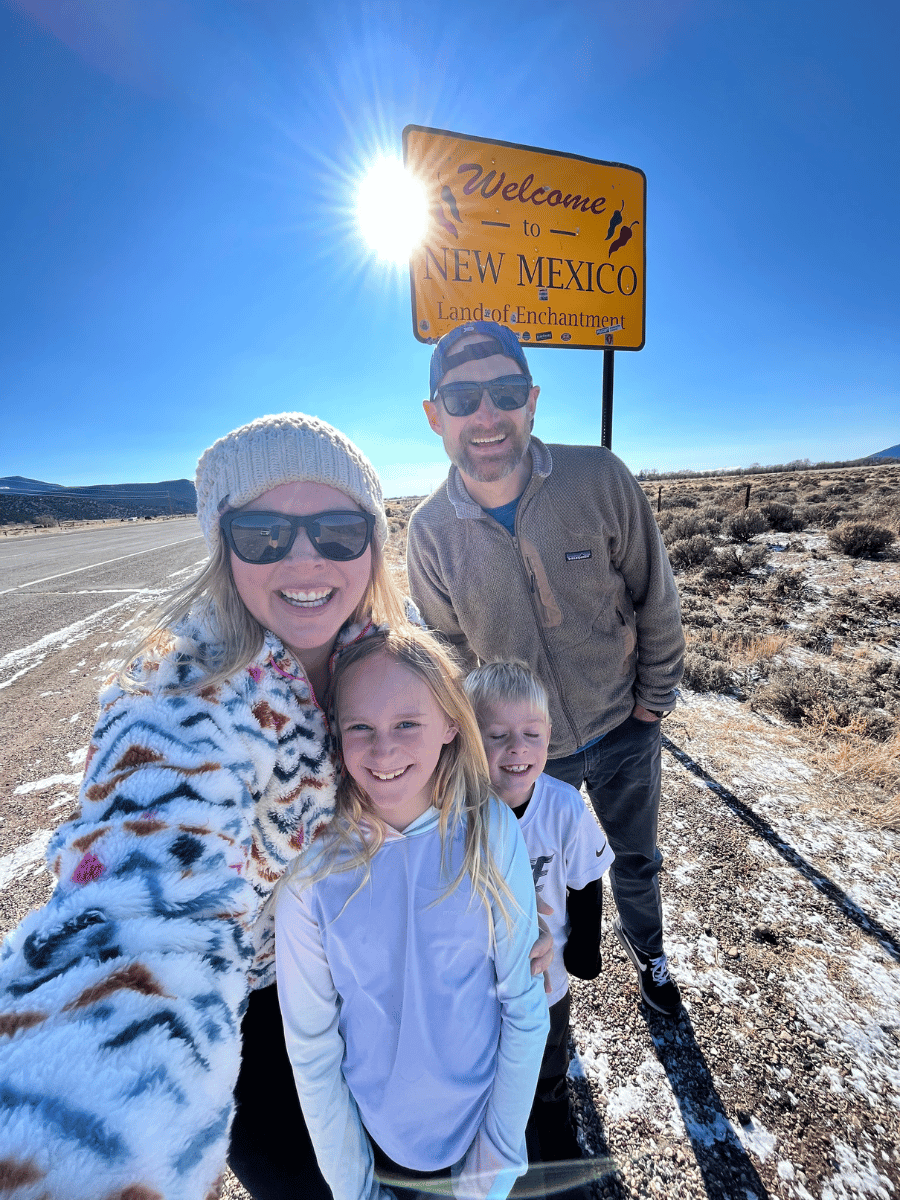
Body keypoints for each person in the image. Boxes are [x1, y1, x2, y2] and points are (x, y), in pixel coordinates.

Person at [0, 412, 554, 1200]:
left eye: (336, 529)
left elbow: (469, 776)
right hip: (254, 1016)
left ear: (372, 541)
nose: (304, 556)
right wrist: (69, 1128)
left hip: (376, 975)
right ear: (223, 542)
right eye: (263, 532)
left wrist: (514, 903)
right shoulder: (176, 709)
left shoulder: (383, 645)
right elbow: (134, 920)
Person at [406, 321, 686, 1018]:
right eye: (463, 397)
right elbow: (448, 653)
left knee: (636, 862)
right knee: (529, 879)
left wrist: (651, 704)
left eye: (504, 392)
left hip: (625, 727)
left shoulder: (598, 477)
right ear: (435, 416)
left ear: (532, 401)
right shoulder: (430, 532)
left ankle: (648, 957)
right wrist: (492, 742)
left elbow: (656, 595)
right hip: (526, 757)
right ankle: (545, 994)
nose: (486, 414)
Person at [275, 627, 549, 1200]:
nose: (384, 750)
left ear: (452, 723)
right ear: (335, 733)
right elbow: (313, 1046)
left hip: (483, 1132)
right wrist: (355, 1189)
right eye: (360, 728)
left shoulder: (490, 831)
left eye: (407, 724)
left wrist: (492, 1166)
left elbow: (524, 1009)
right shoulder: (310, 873)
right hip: (375, 1144)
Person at [464, 661, 613, 1169]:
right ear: (465, 737)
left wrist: (586, 945)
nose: (517, 749)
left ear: (550, 735)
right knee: (489, 1051)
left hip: (546, 975)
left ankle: (549, 1104)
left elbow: (587, 876)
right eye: (497, 735)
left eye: (532, 733)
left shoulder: (564, 807)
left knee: (550, 1043)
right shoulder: (454, 811)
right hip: (478, 976)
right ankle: (495, 1119)